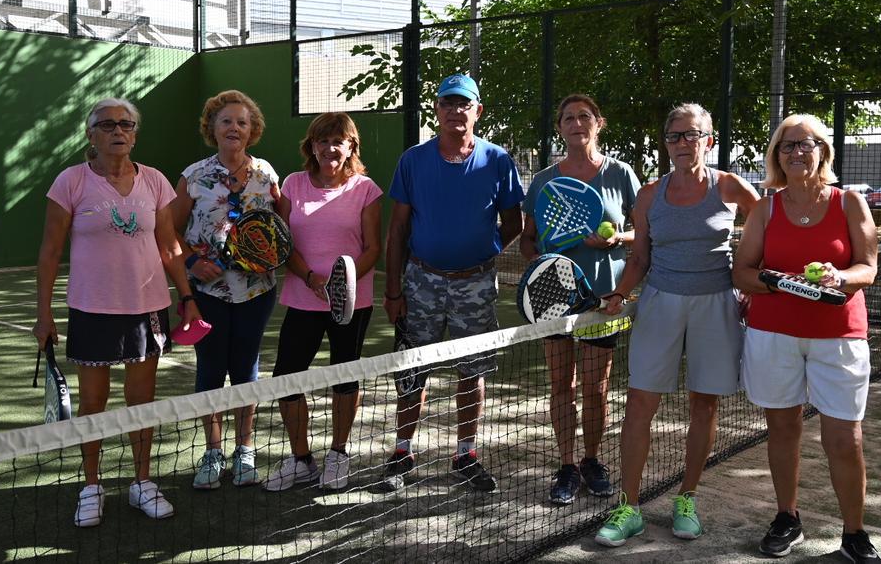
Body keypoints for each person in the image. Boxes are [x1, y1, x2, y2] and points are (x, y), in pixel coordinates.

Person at [33, 97, 202, 528]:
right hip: (91, 309)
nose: (117, 131)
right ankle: (91, 486)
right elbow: (51, 251)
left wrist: (187, 297)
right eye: (107, 125)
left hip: (146, 308)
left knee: (141, 400)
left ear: (134, 134)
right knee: (93, 402)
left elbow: (169, 246)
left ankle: (142, 482)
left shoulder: (155, 182)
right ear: (91, 135)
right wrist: (44, 313)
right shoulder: (70, 182)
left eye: (125, 124)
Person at [595, 103, 759, 547]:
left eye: (692, 135)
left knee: (704, 405)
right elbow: (640, 256)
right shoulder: (649, 194)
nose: (683, 144)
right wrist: (621, 292)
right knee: (639, 403)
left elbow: (767, 229)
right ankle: (628, 507)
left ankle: (686, 498)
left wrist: (752, 278)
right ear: (666, 143)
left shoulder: (730, 186)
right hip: (660, 303)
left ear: (709, 139)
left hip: (716, 306)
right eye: (675, 136)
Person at [732, 114, 881, 563]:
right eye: (786, 146)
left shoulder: (849, 202)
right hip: (772, 334)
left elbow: (868, 268)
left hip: (838, 336)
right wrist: (773, 282)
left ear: (823, 151)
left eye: (806, 144)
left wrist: (840, 276)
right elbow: (742, 271)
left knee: (845, 438)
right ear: (777, 156)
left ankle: (854, 534)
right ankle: (787, 517)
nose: (797, 152)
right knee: (782, 427)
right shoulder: (766, 207)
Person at [378, 73, 525, 493]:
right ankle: (402, 453)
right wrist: (393, 292)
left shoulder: (497, 160)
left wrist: (483, 249)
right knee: (411, 371)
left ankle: (465, 454)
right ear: (437, 111)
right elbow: (397, 230)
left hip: (477, 285)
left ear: (478, 111)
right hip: (420, 282)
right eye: (447, 104)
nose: (455, 111)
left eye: (464, 104)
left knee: (472, 370)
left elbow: (513, 222)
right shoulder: (413, 160)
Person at [519, 94, 640, 505]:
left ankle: (592, 460)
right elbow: (528, 239)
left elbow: (644, 233)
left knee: (596, 386)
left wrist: (614, 237)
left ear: (598, 123)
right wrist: (541, 263)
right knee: (560, 384)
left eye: (584, 116)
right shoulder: (543, 180)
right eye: (567, 117)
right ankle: (567, 466)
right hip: (555, 297)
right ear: (560, 127)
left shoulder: (621, 174)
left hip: (604, 298)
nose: (576, 123)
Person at [263, 112, 383, 492]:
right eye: (322, 141)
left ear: (351, 147)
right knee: (286, 377)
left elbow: (372, 248)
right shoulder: (293, 184)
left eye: (338, 141)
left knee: (344, 378)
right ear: (311, 146)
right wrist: (312, 278)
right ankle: (302, 460)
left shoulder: (366, 189)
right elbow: (283, 243)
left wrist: (340, 283)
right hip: (303, 297)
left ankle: (338, 455)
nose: (330, 148)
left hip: (351, 302)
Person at [172, 90, 281, 490]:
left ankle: (245, 450)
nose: (234, 128)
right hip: (207, 293)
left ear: (252, 131)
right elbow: (168, 230)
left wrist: (268, 255)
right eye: (226, 121)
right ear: (212, 129)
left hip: (257, 291)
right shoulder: (193, 176)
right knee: (211, 368)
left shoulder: (267, 175)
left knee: (246, 368)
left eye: (242, 122)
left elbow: (281, 231)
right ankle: (213, 452)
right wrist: (190, 263)